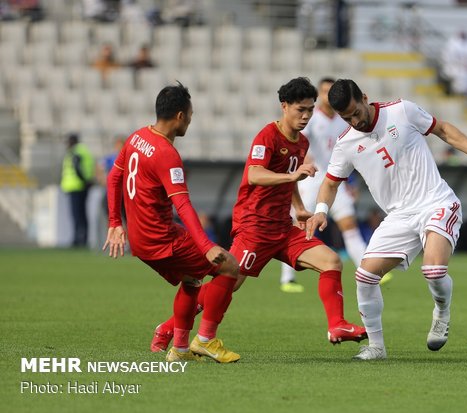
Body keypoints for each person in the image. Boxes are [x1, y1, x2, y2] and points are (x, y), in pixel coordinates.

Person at [305, 79, 467, 360]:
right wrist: (321, 210)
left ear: (365, 98)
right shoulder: (346, 144)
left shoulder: (401, 111)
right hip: (399, 216)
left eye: (356, 112)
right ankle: (377, 348)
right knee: (365, 276)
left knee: (433, 270)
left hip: (436, 201)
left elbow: (442, 129)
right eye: (347, 118)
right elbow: (330, 183)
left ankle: (441, 312)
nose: (354, 121)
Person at [151, 77, 366, 352]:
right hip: (254, 226)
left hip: (282, 227)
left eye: (310, 109)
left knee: (332, 261)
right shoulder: (267, 136)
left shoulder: (301, 142)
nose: (306, 115)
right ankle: (168, 327)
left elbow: (290, 179)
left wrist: (298, 207)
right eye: (301, 109)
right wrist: (292, 175)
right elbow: (254, 174)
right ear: (284, 106)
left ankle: (337, 324)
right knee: (229, 284)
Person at [103, 82, 241, 363]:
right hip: (161, 238)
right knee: (230, 267)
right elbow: (183, 205)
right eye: (190, 115)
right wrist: (206, 246)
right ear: (180, 115)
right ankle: (206, 340)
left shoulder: (136, 137)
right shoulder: (167, 155)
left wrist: (116, 222)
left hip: (139, 239)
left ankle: (178, 349)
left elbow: (114, 177)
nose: (190, 120)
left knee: (192, 280)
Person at [279, 77, 391, 293]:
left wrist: (352, 181)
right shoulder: (310, 119)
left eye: (329, 92)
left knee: (349, 226)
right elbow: (296, 144)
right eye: (323, 92)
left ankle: (368, 271)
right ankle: (287, 278)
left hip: (336, 182)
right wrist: (303, 163)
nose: (325, 96)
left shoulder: (344, 120)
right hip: (311, 181)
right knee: (297, 225)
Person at [61, 133, 95, 247]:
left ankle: (78, 239)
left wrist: (84, 181)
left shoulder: (76, 152)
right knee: (81, 214)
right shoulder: (82, 150)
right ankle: (82, 239)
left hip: (77, 187)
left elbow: (77, 168)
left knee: (77, 214)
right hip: (80, 186)